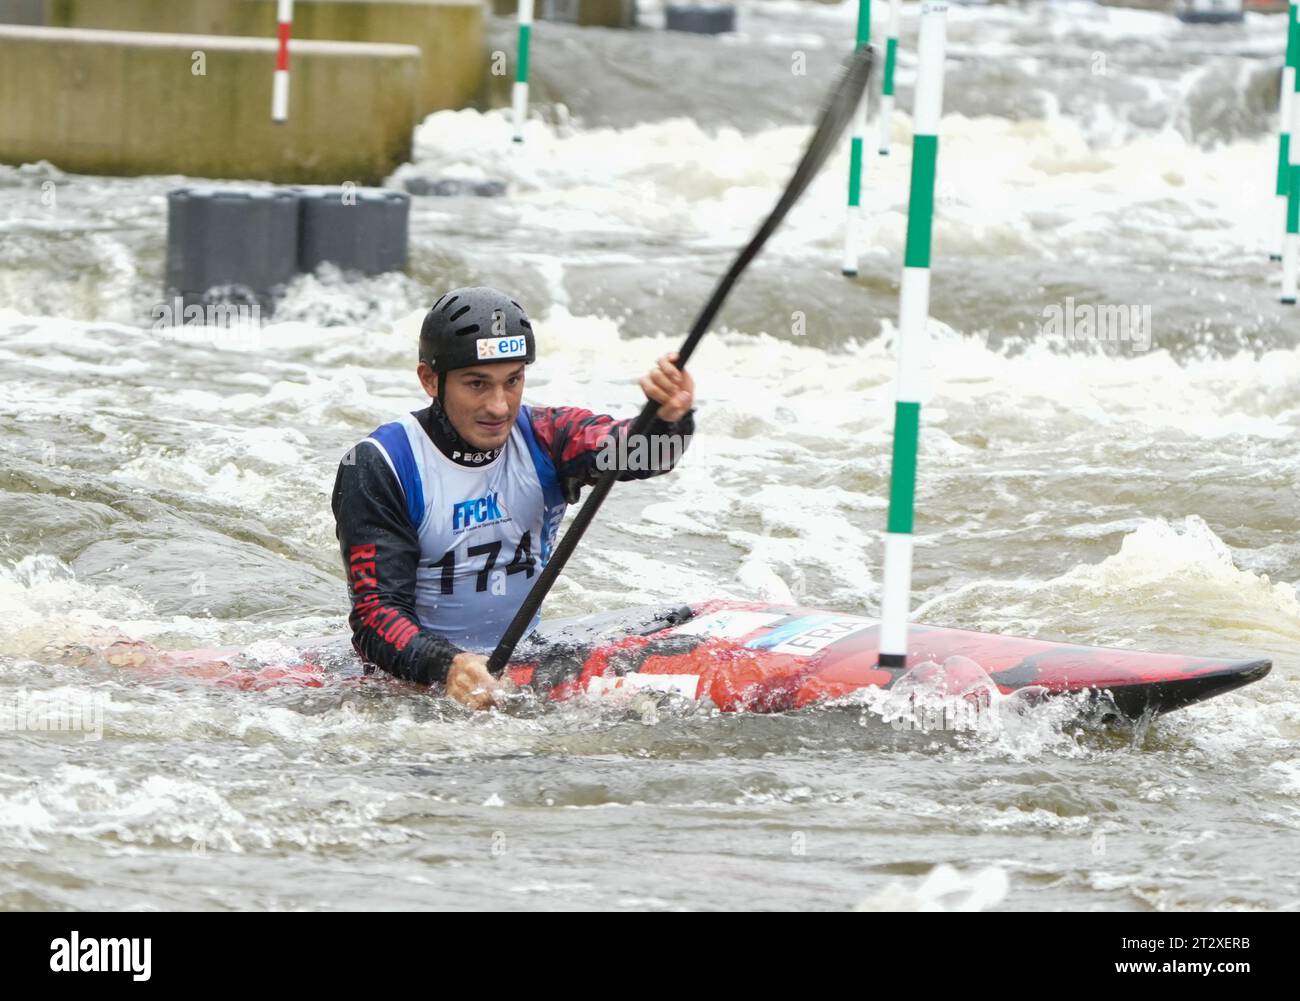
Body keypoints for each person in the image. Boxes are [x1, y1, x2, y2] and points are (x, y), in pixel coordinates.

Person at [330, 287, 696, 709]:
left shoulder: (546, 436)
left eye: (513, 381)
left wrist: (671, 419)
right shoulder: (380, 465)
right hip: (414, 684)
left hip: (525, 658)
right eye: (477, 384)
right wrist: (447, 665)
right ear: (430, 379)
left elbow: (641, 453)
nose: (499, 406)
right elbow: (376, 617)